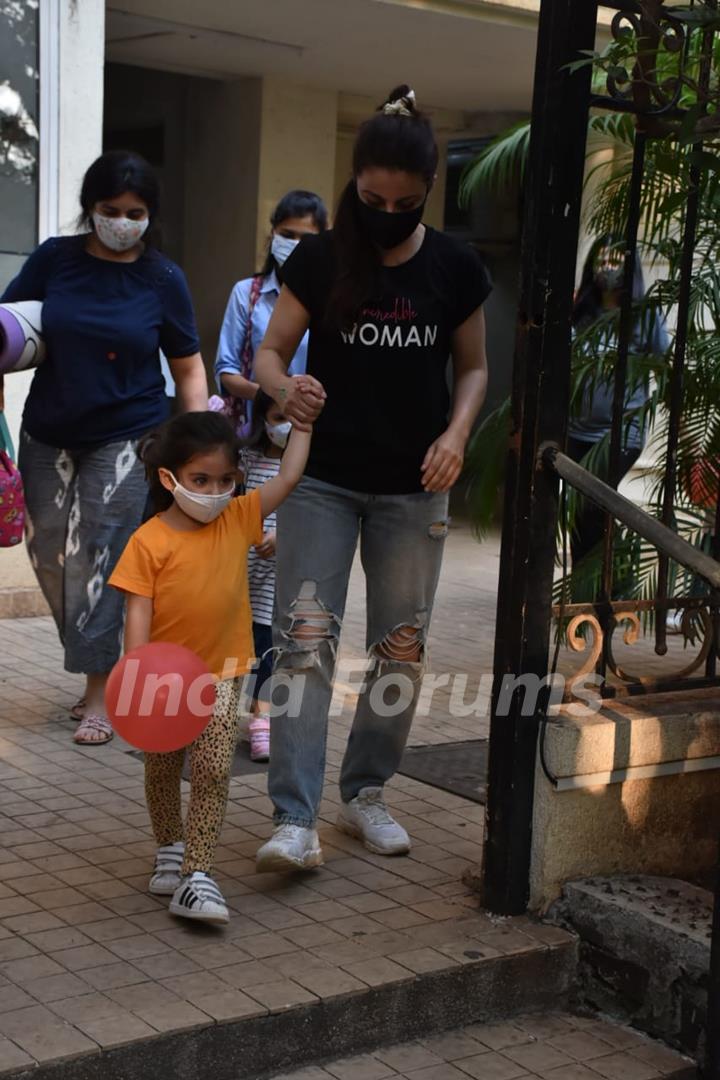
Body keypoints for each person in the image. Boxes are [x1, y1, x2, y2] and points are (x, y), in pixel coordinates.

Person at [253, 85, 491, 873]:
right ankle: (293, 817)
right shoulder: (322, 258)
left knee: (401, 648)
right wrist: (286, 390)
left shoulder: (455, 266)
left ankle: (365, 793)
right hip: (321, 481)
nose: (386, 211)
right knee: (303, 644)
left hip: (413, 485)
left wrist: (457, 435)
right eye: (371, 197)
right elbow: (268, 355)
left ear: (428, 193)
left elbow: (475, 368)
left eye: (405, 200)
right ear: (353, 183)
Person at [1, 150, 208, 744]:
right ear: (90, 209)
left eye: (135, 212)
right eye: (110, 210)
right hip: (50, 428)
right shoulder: (54, 259)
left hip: (129, 434)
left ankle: (99, 693)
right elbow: (12, 327)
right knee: (47, 554)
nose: (122, 222)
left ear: (151, 215)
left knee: (98, 556)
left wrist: (194, 449)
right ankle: (105, 658)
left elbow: (189, 369)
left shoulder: (163, 278)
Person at [108, 411, 311, 923]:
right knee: (162, 768)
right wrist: (137, 677)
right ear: (169, 479)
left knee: (214, 767)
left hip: (223, 673)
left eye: (225, 479)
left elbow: (288, 476)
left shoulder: (238, 517)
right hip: (163, 681)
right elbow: (137, 612)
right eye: (201, 480)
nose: (215, 490)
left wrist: (303, 426)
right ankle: (170, 846)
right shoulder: (147, 541)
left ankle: (198, 874)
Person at [568, 237, 668, 595]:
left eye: (616, 261)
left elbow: (664, 360)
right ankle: (585, 589)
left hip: (619, 434)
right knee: (580, 509)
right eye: (602, 260)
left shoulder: (644, 316)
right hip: (576, 431)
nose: (607, 268)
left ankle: (613, 586)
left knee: (594, 506)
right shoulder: (581, 311)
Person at [215, 190, 328, 430]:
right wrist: (276, 396)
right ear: (273, 233)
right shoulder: (246, 294)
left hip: (313, 429)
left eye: (305, 238)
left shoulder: (330, 298)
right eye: (287, 235)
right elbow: (226, 371)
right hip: (256, 432)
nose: (295, 245)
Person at [239, 390, 291, 762]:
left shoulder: (306, 468)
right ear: (261, 420)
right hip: (242, 575)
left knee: (268, 652)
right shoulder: (246, 461)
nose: (285, 427)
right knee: (234, 649)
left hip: (277, 582)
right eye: (277, 418)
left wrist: (284, 535)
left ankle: (261, 720)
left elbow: (312, 515)